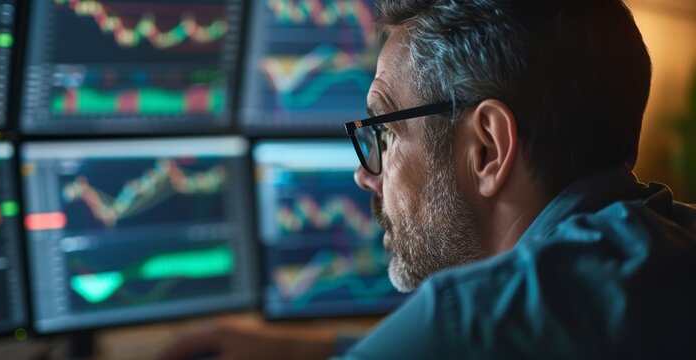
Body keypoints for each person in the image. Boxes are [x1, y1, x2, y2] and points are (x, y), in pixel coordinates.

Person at [159, 0, 696, 358]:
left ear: (488, 147)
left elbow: (464, 332)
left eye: (386, 132)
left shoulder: (462, 323)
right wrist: (317, 349)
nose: (364, 177)